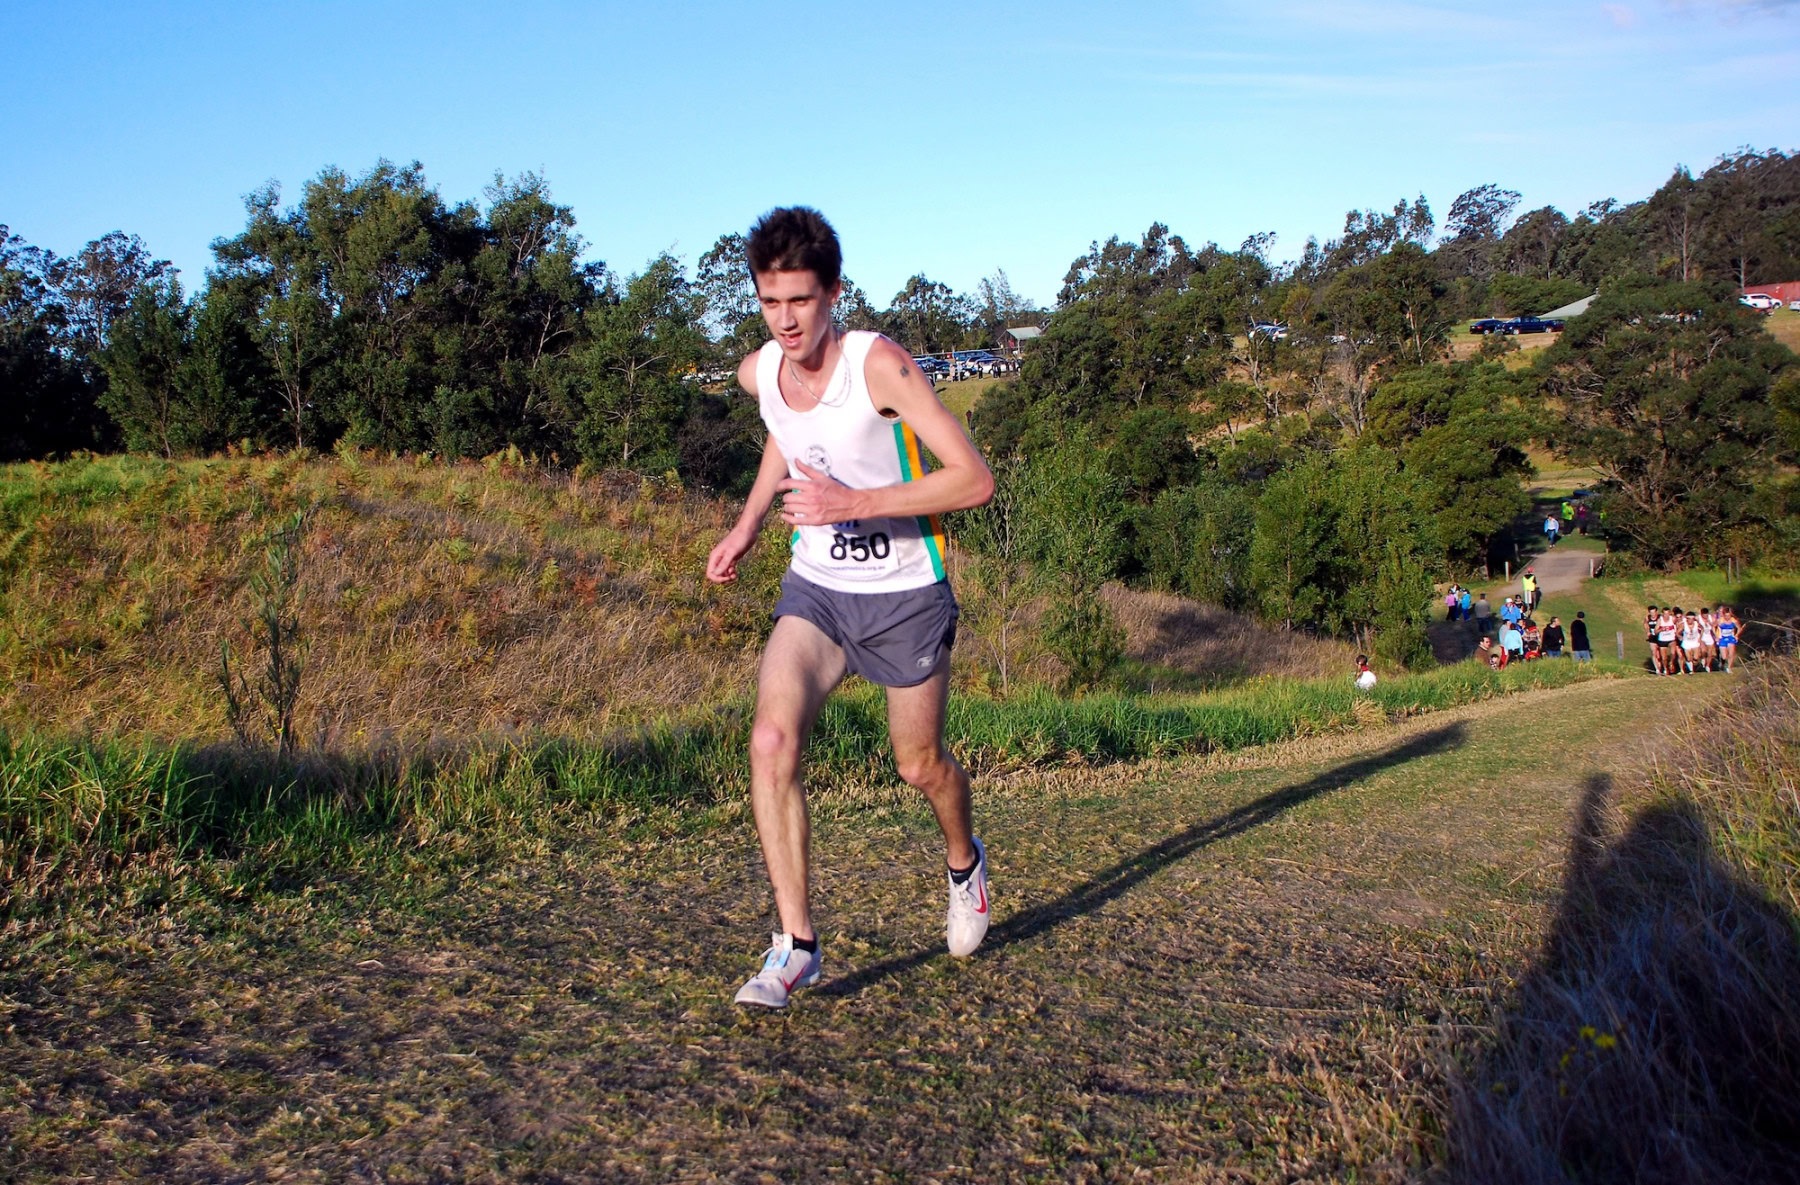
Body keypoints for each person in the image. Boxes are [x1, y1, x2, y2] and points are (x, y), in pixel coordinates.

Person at [705, 207, 996, 1008]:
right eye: (770, 302)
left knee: (918, 765)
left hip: (906, 593)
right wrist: (747, 522)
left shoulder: (880, 367)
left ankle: (965, 863)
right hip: (820, 592)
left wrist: (851, 502)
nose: (786, 320)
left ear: (833, 292)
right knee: (770, 737)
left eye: (800, 300)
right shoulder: (759, 371)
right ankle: (797, 945)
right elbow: (782, 430)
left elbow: (973, 479)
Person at [1717, 606, 1739, 672]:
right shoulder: (1720, 620)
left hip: (1731, 638)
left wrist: (1736, 635)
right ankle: (1723, 663)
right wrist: (1716, 636)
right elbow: (1713, 627)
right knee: (1724, 656)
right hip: (1722, 638)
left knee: (1731, 654)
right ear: (1723, 615)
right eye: (1726, 615)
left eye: (1729, 615)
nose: (1727, 617)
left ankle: (1729, 668)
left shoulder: (1733, 620)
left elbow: (1739, 628)